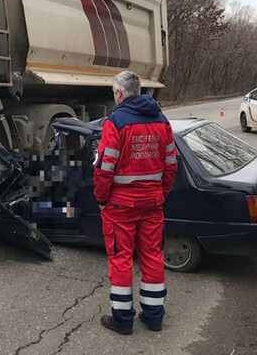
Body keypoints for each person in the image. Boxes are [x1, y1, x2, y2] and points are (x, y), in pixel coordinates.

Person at [93, 71, 177, 335]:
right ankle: (154, 317)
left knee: (121, 259)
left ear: (119, 93)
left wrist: (102, 199)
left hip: (121, 205)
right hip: (152, 203)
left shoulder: (115, 122)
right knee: (152, 256)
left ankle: (123, 320)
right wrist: (160, 193)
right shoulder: (162, 121)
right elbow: (171, 165)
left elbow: (104, 169)